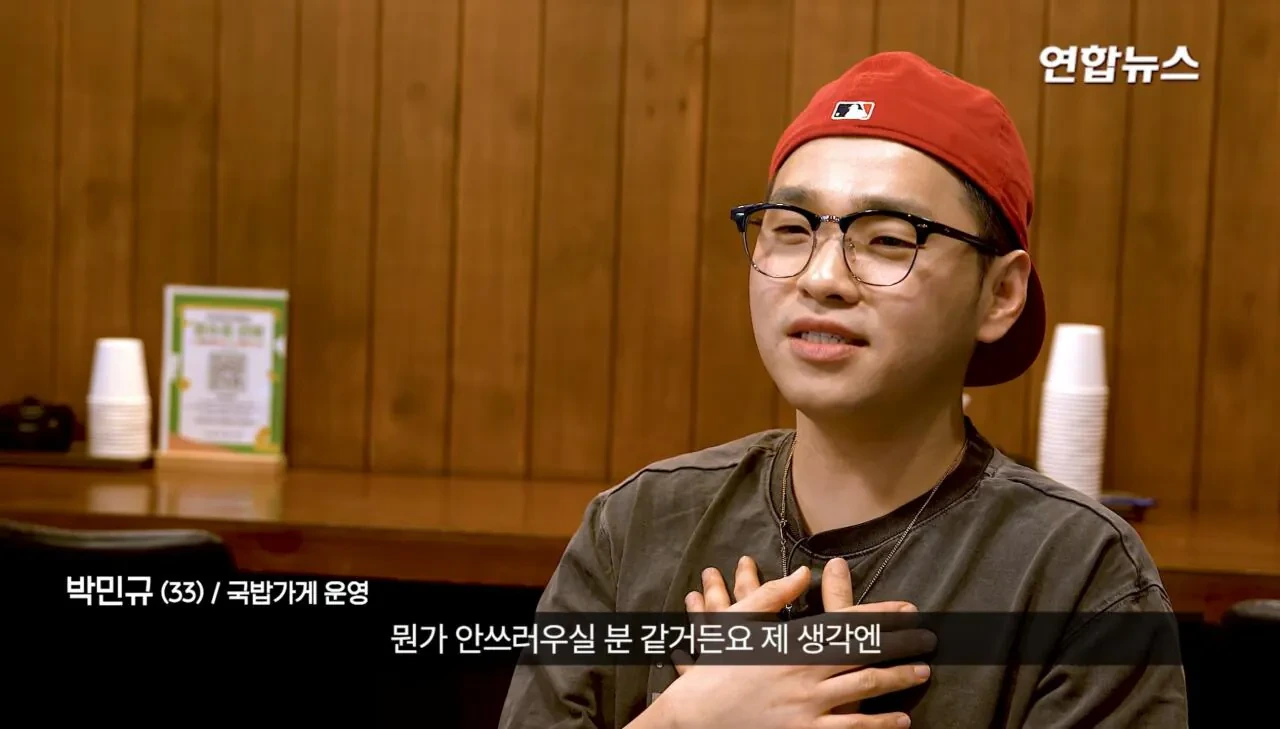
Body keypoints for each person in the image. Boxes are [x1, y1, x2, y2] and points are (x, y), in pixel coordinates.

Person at [497, 51, 1188, 728]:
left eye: (889, 239)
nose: (822, 277)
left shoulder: (1076, 575)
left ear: (1000, 293)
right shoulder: (638, 526)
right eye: (791, 229)